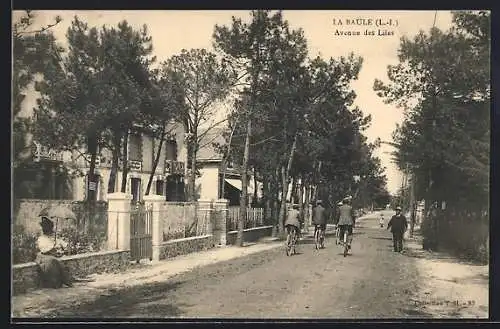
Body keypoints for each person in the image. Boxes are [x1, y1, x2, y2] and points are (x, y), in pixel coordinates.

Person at [36, 216, 73, 288]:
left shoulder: (54, 237)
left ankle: (63, 281)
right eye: (47, 229)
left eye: (50, 228)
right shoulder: (41, 238)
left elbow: (65, 245)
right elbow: (43, 250)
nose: (49, 230)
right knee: (53, 261)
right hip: (44, 257)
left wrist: (66, 247)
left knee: (56, 261)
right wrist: (52, 248)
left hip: (53, 256)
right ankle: (59, 282)